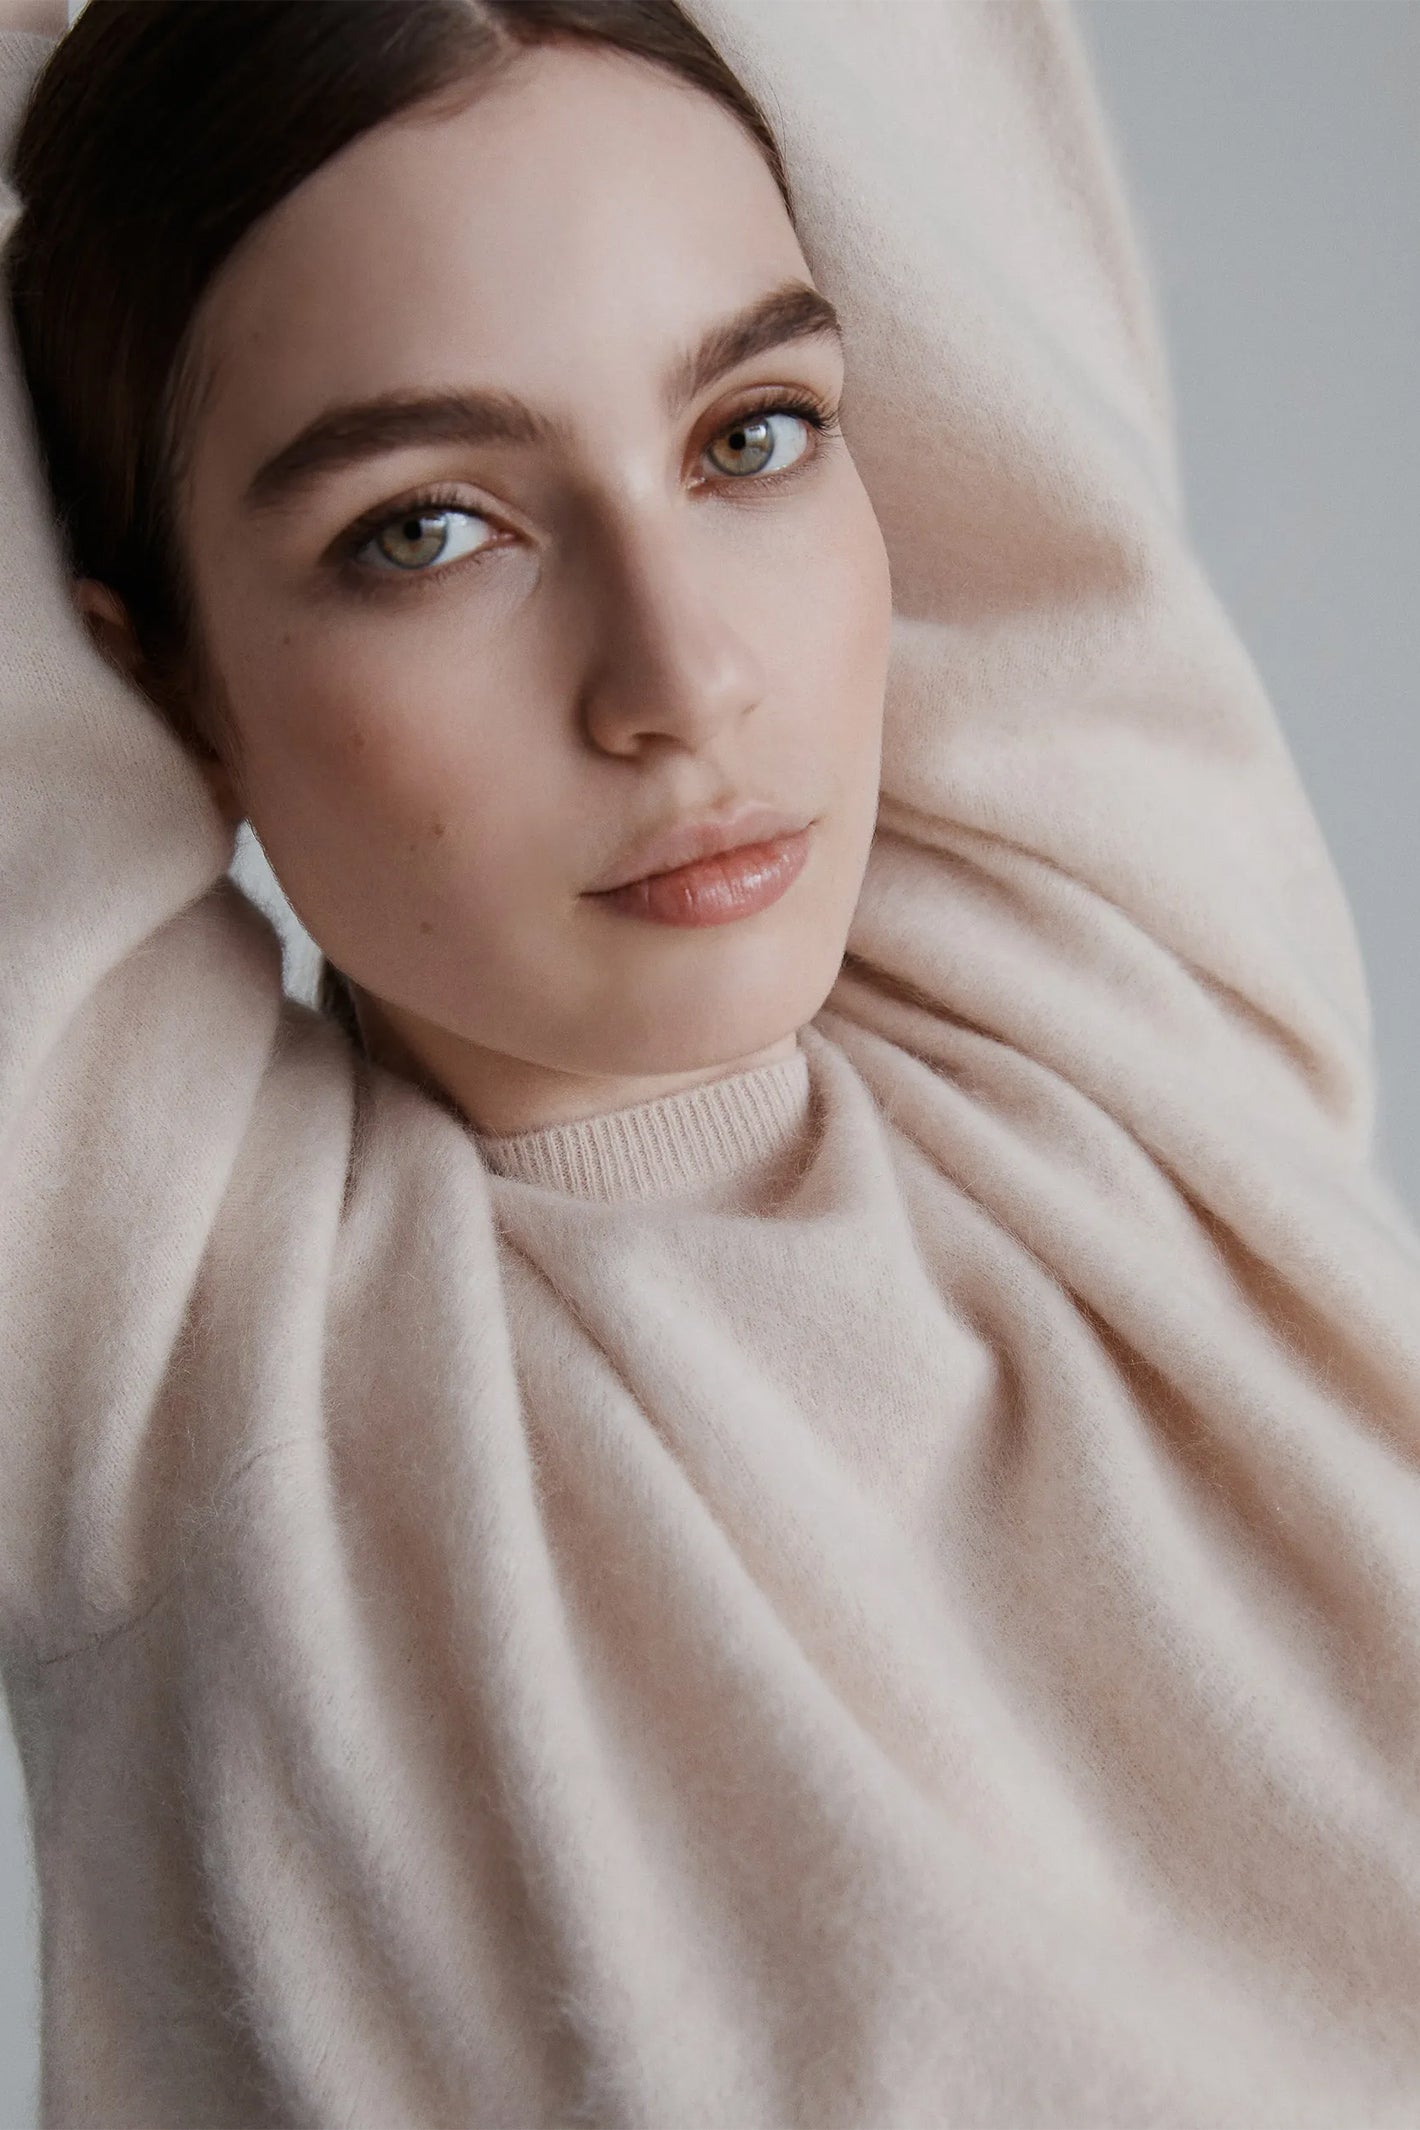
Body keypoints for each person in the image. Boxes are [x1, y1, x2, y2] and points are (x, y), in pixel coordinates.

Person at [2, 1, 1419, 2125]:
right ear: (152, 681)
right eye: (426, 529)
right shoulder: (170, 1345)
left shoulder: (1119, 1023)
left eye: (750, 434)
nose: (679, 682)